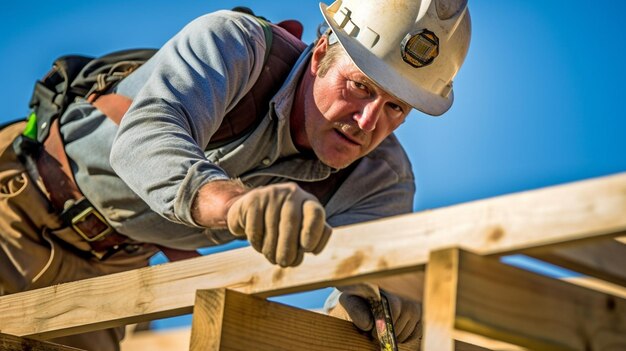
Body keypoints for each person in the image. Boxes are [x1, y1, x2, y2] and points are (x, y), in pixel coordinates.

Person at [0, 0, 471, 350]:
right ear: (320, 52)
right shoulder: (236, 47)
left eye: (395, 107)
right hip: (16, 203)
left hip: (105, 275)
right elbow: (146, 136)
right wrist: (233, 203)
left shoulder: (381, 178)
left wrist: (381, 310)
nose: (368, 123)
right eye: (359, 87)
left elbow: (370, 284)